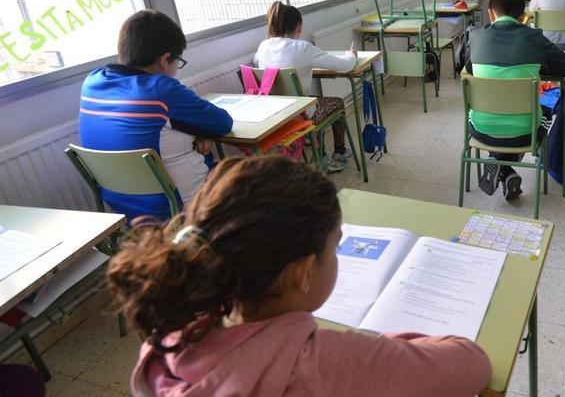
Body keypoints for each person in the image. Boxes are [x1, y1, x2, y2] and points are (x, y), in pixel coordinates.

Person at [107, 156, 492, 396]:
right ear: (303, 273)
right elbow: (474, 365)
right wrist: (382, 347)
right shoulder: (326, 363)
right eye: (334, 247)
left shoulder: (171, 337)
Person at [79, 10, 233, 221]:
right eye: (177, 61)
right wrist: (198, 132)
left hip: (125, 213)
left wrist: (195, 134)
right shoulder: (161, 89)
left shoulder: (92, 83)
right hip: (178, 209)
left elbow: (148, 129)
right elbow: (223, 124)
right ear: (164, 59)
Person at [466, 0, 565, 200]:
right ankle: (502, 166)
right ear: (524, 16)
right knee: (544, 113)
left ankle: (500, 165)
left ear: (490, 13)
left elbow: (470, 69)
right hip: (525, 134)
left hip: (480, 129)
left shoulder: (476, 37)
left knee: (501, 112)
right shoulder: (534, 38)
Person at [254, 1, 357, 172]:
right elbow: (345, 66)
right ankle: (335, 153)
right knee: (336, 102)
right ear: (299, 27)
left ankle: (319, 151)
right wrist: (351, 55)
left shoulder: (263, 47)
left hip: (273, 114)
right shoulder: (303, 48)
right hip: (299, 114)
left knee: (313, 100)